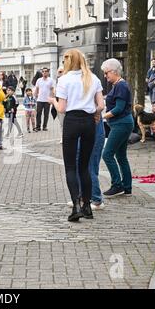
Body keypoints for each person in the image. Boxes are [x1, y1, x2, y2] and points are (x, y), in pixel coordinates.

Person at [48, 49, 104, 222]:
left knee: (70, 167)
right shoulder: (93, 78)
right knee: (84, 166)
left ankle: (76, 206)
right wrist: (95, 114)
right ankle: (87, 206)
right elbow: (101, 104)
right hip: (88, 122)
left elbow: (62, 109)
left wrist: (53, 101)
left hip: (72, 121)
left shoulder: (64, 80)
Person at [101, 58, 134, 198]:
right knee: (121, 156)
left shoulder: (120, 86)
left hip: (121, 124)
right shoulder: (119, 85)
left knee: (107, 154)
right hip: (123, 123)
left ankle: (117, 185)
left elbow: (119, 108)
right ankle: (127, 187)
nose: (105, 75)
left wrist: (102, 116)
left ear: (114, 71)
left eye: (106, 72)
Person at [56, 67, 65, 144]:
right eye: (58, 72)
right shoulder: (58, 81)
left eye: (61, 72)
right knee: (61, 123)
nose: (59, 74)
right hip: (60, 105)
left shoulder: (66, 81)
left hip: (67, 106)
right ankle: (62, 137)